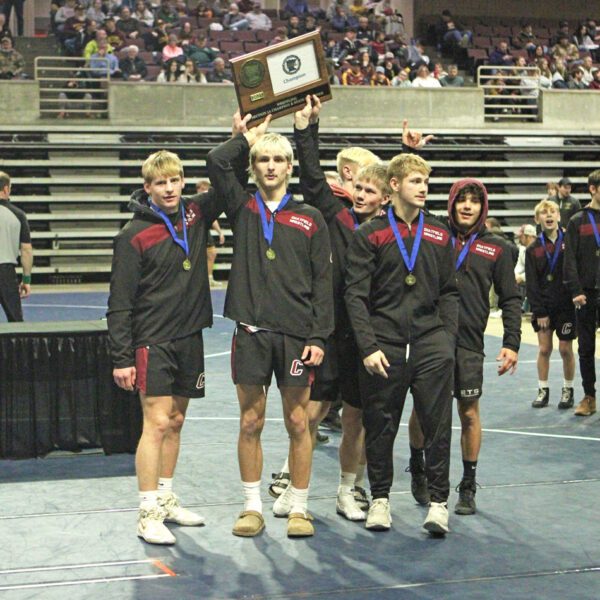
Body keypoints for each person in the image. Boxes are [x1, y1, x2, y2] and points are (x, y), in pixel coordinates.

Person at [107, 118, 249, 544]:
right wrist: (121, 358)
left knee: (178, 419)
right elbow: (119, 303)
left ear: (183, 182)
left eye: (175, 180)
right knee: (155, 423)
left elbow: (230, 186)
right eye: (160, 183)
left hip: (190, 337)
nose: (169, 188)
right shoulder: (133, 235)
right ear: (146, 187)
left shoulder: (194, 212)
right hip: (152, 340)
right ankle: (147, 509)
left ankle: (166, 498)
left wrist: (241, 141)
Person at [207, 117, 334, 539]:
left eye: (279, 158)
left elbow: (323, 283)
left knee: (299, 422)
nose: (271, 165)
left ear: (290, 166)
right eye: (263, 159)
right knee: (250, 422)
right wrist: (245, 138)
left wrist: (318, 336)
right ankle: (251, 506)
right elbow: (215, 161)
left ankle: (299, 507)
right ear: (253, 165)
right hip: (251, 333)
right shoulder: (241, 206)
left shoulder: (310, 217)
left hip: (296, 336)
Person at [266, 96, 384, 523]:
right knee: (313, 410)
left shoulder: (391, 230)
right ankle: (290, 479)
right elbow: (314, 178)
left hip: (369, 335)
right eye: (359, 186)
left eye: (372, 189)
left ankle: (348, 491)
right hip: (332, 328)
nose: (362, 194)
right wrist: (306, 129)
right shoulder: (339, 217)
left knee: (358, 415)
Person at [344, 151, 459, 535]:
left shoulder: (440, 233)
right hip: (384, 346)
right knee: (380, 426)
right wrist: (367, 346)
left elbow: (449, 292)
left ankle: (439, 504)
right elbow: (355, 296)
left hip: (430, 345)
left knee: (437, 426)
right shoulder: (369, 234)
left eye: (426, 182)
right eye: (415, 182)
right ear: (394, 186)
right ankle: (379, 500)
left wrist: (447, 341)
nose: (423, 188)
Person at [408, 179, 521, 516]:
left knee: (469, 412)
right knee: (422, 409)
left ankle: (468, 485)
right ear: (452, 203)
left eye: (474, 201)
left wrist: (511, 342)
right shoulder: (435, 234)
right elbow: (411, 204)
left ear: (482, 207)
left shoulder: (497, 248)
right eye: (462, 200)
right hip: (430, 337)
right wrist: (411, 153)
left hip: (470, 342)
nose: (467, 206)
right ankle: (418, 467)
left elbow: (511, 298)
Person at [526, 199, 576, 409]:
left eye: (552, 211)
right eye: (543, 213)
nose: (548, 215)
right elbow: (532, 283)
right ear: (538, 219)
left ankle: (568, 389)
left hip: (566, 307)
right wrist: (539, 311)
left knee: (566, 349)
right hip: (544, 307)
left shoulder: (570, 242)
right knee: (544, 349)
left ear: (558, 216)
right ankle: (543, 390)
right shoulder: (533, 248)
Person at [564, 169, 600, 417]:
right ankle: (589, 396)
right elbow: (570, 260)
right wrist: (575, 290)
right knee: (586, 347)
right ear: (593, 189)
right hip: (586, 293)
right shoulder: (578, 220)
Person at [0, 171, 32, 322]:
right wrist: (26, 279)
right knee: (16, 322)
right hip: (5, 272)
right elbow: (26, 250)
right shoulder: (18, 215)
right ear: (6, 189)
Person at [195, 179, 225, 286]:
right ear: (198, 190)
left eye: (206, 190)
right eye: (202, 189)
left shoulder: (206, 202)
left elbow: (213, 218)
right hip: (197, 230)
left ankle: (208, 278)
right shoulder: (194, 203)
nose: (204, 192)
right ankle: (204, 279)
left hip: (204, 230)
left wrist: (220, 232)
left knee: (211, 253)